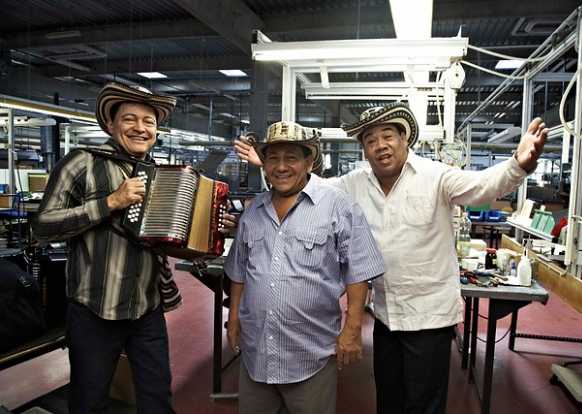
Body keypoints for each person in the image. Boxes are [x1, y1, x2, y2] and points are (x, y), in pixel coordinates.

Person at [234, 102, 548, 414]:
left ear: (404, 139)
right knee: (389, 400)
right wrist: (271, 165)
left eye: (387, 136)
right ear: (364, 150)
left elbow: (483, 187)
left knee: (423, 405)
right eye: (370, 140)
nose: (380, 146)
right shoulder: (355, 183)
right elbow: (312, 187)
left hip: (429, 318)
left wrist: (518, 165)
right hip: (386, 316)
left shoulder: (435, 176)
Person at [33, 82, 234, 413]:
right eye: (130, 119)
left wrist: (210, 233)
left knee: (157, 400)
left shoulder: (162, 175)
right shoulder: (81, 163)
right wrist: (110, 202)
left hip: (146, 308)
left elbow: (167, 240)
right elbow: (42, 226)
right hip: (94, 309)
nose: (140, 128)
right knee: (89, 401)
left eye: (148, 121)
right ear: (110, 124)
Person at [225, 121, 385, 414]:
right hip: (256, 350)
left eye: (291, 158)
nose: (281, 167)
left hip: (310, 353)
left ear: (309, 162)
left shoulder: (338, 205)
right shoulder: (253, 211)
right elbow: (239, 271)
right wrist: (234, 318)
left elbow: (358, 269)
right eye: (273, 158)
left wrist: (352, 329)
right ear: (264, 165)